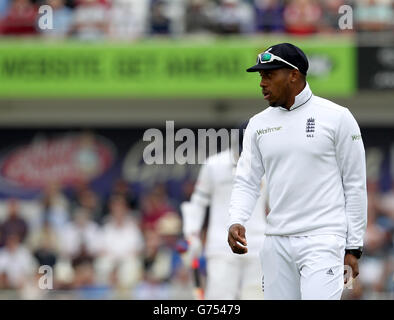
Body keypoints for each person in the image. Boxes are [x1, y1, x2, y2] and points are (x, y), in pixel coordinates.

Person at [227, 43, 367, 300]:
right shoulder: (257, 124)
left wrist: (354, 247)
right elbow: (247, 180)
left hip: (323, 239)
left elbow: (355, 185)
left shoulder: (337, 117)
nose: (262, 83)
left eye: (269, 75)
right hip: (276, 241)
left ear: (293, 74)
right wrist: (236, 219)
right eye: (260, 76)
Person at [181, 123, 267, 300]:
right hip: (221, 245)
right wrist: (192, 234)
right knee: (220, 298)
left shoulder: (267, 164)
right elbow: (198, 202)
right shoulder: (214, 165)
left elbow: (277, 205)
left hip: (258, 245)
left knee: (255, 296)